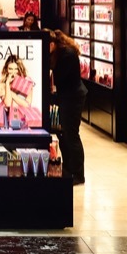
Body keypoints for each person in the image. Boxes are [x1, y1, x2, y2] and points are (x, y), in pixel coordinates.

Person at [48, 29, 87, 185]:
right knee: (64, 134)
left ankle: (78, 174)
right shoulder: (60, 53)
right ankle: (69, 169)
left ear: (52, 44)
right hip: (66, 96)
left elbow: (60, 78)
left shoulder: (67, 54)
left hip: (73, 97)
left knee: (71, 135)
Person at [0, 53, 41, 128]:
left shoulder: (27, 83)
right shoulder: (0, 85)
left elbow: (27, 104)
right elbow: (8, 103)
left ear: (19, 69)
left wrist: (12, 94)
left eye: (16, 69)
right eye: (10, 69)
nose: (13, 72)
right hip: (6, 118)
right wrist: (7, 84)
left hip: (23, 118)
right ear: (6, 69)